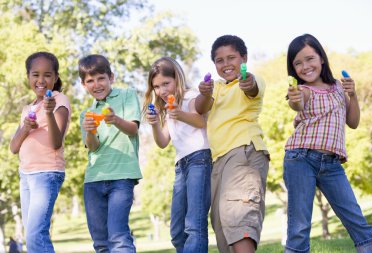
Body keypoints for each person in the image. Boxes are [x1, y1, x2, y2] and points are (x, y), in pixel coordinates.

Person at [284, 33, 372, 253]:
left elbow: (353, 122)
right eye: (297, 63)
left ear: (321, 58)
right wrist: (294, 99)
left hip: (332, 165)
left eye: (310, 59)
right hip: (300, 159)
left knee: (356, 219)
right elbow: (296, 104)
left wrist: (353, 95)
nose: (305, 66)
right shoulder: (302, 91)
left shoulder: (337, 87)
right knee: (299, 226)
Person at [195, 35, 270, 253]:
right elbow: (201, 108)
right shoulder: (216, 87)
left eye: (231, 58)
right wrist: (204, 92)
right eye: (220, 60)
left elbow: (252, 87)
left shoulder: (250, 80)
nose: (226, 64)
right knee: (221, 225)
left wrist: (249, 81)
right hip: (219, 161)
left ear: (243, 58)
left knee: (239, 217)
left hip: (244, 150)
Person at [143, 57, 212, 253]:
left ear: (177, 79)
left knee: (194, 225)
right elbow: (163, 142)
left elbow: (201, 122)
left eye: (166, 83)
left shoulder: (191, 96)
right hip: (181, 166)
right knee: (177, 231)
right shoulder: (168, 107)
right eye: (156, 87)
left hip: (200, 159)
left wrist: (178, 114)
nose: (162, 90)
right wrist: (155, 123)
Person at [79, 54, 142, 252]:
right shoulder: (86, 114)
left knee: (118, 236)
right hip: (93, 180)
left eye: (101, 78)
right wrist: (90, 131)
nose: (96, 84)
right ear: (84, 85)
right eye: (90, 80)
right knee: (100, 242)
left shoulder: (127, 96)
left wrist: (115, 120)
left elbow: (133, 129)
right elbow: (93, 146)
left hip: (122, 177)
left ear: (111, 78)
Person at [9, 52, 71, 253]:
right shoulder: (28, 108)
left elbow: (56, 142)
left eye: (47, 75)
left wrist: (49, 113)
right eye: (35, 74)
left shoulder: (59, 100)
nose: (41, 80)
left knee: (36, 236)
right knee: (31, 236)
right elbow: (13, 148)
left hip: (47, 174)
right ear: (28, 77)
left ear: (55, 77)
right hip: (26, 175)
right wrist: (26, 127)